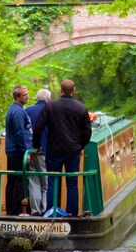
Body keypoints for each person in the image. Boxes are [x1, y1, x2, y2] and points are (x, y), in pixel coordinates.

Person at [32, 79, 92, 217]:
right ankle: (71, 212)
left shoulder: (50, 106)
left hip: (54, 150)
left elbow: (38, 127)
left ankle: (52, 212)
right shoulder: (81, 108)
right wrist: (80, 145)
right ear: (74, 90)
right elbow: (87, 131)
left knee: (53, 181)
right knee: (72, 183)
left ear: (60, 89)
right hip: (73, 151)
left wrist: (37, 146)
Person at [3, 85, 31, 216]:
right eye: (25, 95)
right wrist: (25, 152)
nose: (28, 96)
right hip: (18, 152)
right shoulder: (19, 112)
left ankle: (10, 209)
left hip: (12, 150)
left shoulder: (12, 109)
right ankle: (15, 211)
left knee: (12, 181)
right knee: (19, 181)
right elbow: (20, 133)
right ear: (18, 97)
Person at [24, 88, 51, 216]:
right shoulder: (51, 110)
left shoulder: (27, 110)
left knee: (33, 181)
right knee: (45, 184)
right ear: (48, 99)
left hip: (30, 151)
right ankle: (44, 211)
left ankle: (35, 211)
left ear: (36, 98)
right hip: (45, 151)